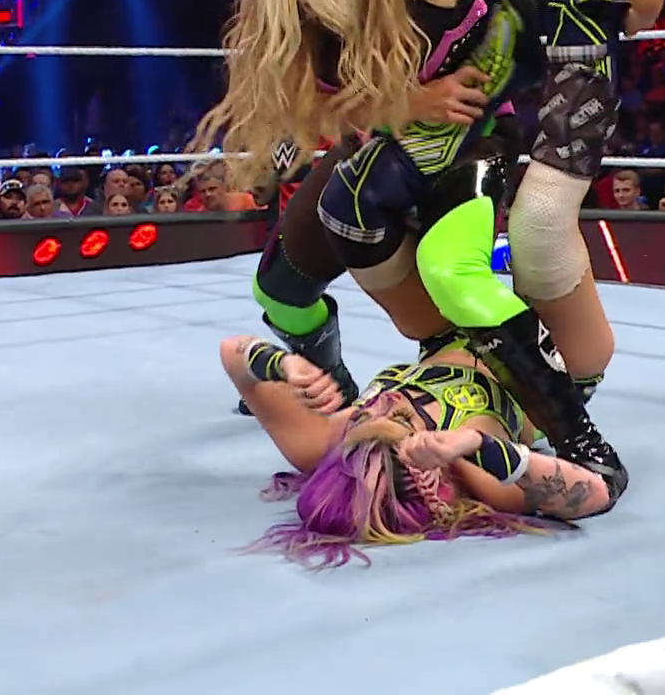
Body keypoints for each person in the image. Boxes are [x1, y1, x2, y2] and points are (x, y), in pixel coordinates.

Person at [194, 0, 662, 500]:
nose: (330, 4)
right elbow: (304, 105)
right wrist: (406, 102)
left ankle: (576, 433)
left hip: (471, 135)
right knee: (280, 292)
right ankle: (334, 378)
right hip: (382, 137)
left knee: (451, 269)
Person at [218, 179, 617, 569]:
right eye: (397, 424)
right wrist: (481, 447)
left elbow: (232, 352)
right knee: (540, 223)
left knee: (359, 227)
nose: (379, 410)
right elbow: (594, 493)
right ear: (427, 468)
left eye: (364, 423)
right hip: (557, 363)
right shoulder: (480, 474)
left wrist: (283, 364)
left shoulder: (322, 443)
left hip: (449, 332)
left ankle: (449, 162)